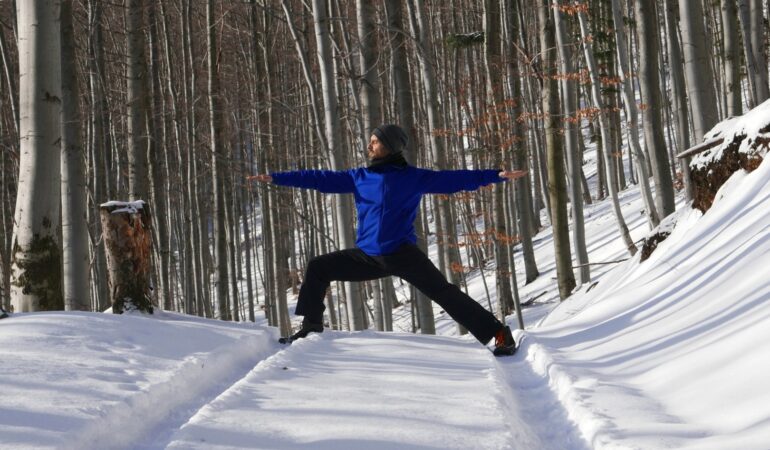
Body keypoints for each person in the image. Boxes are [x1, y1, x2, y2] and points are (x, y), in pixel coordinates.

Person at [250, 124, 527, 356]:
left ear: (391, 147)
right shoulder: (359, 177)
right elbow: (319, 178)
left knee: (444, 293)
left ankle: (500, 335)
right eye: (370, 141)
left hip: (402, 255)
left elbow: (453, 179)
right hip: (368, 256)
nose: (369, 146)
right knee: (318, 267)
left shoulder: (413, 178)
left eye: (375, 142)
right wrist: (277, 178)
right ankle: (311, 325)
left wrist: (495, 175)